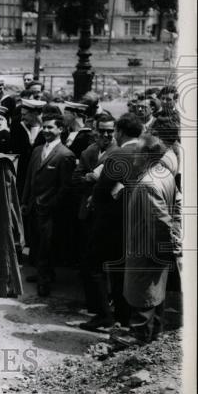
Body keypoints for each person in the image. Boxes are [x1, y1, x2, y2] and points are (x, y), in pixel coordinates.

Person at [116, 135, 182, 347]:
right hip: (156, 250)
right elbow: (178, 203)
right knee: (155, 294)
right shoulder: (165, 174)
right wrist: (176, 232)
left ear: (145, 155)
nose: (134, 155)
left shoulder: (147, 183)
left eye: (137, 151)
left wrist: (164, 247)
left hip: (146, 250)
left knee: (142, 295)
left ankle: (138, 341)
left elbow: (159, 222)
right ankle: (153, 339)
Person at [81, 112, 143, 331]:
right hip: (137, 222)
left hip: (110, 222)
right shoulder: (150, 153)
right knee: (121, 270)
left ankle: (102, 314)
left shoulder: (118, 156)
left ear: (120, 132)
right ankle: (123, 317)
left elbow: (101, 191)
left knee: (93, 264)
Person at [21, 113, 75, 297]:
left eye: (50, 127)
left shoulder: (65, 155)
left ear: (60, 129)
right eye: (44, 127)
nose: (45, 130)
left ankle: (44, 282)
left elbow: (65, 187)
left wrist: (51, 204)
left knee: (47, 245)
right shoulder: (37, 151)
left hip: (50, 210)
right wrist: (24, 201)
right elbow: (29, 178)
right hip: (34, 207)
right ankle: (41, 274)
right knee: (36, 243)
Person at [72, 114, 117, 316]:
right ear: (95, 131)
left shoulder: (118, 153)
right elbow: (75, 179)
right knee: (87, 261)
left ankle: (106, 307)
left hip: (107, 215)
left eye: (110, 131)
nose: (106, 135)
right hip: (87, 213)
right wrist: (90, 178)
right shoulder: (89, 151)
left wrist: (90, 179)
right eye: (103, 131)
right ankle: (92, 305)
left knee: (104, 264)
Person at [10, 98, 46, 198]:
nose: (22, 117)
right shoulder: (18, 127)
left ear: (34, 114)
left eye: (25, 114)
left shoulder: (47, 129)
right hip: (22, 175)